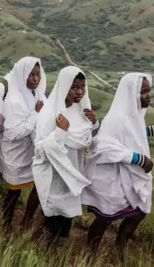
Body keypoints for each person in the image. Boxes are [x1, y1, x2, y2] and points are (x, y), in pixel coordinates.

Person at [82, 73, 154, 257]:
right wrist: (137, 158)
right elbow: (104, 146)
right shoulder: (117, 118)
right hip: (112, 176)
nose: (148, 96)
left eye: (148, 91)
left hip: (128, 175)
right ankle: (90, 253)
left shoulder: (131, 116)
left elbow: (131, 134)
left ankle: (120, 247)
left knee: (138, 212)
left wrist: (153, 130)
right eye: (144, 92)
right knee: (105, 217)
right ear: (131, 94)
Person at [32, 66, 99, 241]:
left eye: (83, 87)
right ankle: (42, 250)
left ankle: (49, 244)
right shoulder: (49, 113)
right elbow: (40, 149)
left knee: (66, 215)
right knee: (54, 215)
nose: (80, 92)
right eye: (74, 87)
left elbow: (87, 139)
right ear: (64, 86)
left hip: (73, 169)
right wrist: (60, 133)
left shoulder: (82, 110)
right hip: (54, 174)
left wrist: (95, 123)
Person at [0, 57, 47, 232]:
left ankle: (27, 219)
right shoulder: (13, 100)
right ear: (21, 75)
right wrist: (35, 114)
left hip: (33, 152)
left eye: (37, 74)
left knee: (39, 186)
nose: (35, 79)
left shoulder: (38, 94)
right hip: (15, 154)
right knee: (13, 192)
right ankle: (5, 223)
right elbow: (12, 133)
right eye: (30, 75)